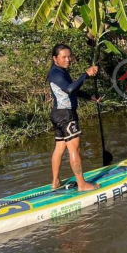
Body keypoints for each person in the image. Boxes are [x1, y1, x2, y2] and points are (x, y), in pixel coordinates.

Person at [48, 44, 101, 191]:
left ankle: (55, 182)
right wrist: (86, 74)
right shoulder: (57, 73)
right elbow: (70, 88)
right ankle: (82, 184)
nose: (68, 60)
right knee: (74, 150)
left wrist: (89, 96)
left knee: (59, 148)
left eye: (69, 56)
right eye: (63, 57)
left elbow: (72, 91)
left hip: (58, 114)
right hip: (66, 115)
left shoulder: (59, 72)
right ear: (55, 58)